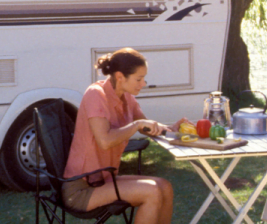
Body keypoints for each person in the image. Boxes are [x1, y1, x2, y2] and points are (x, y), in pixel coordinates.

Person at [63, 48, 188, 224]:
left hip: (105, 180)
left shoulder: (126, 98)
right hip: (81, 188)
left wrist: (171, 128)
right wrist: (135, 125)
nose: (143, 83)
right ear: (120, 77)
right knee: (151, 192)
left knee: (165, 187)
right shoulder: (96, 94)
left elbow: (146, 127)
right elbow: (105, 141)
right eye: (139, 79)